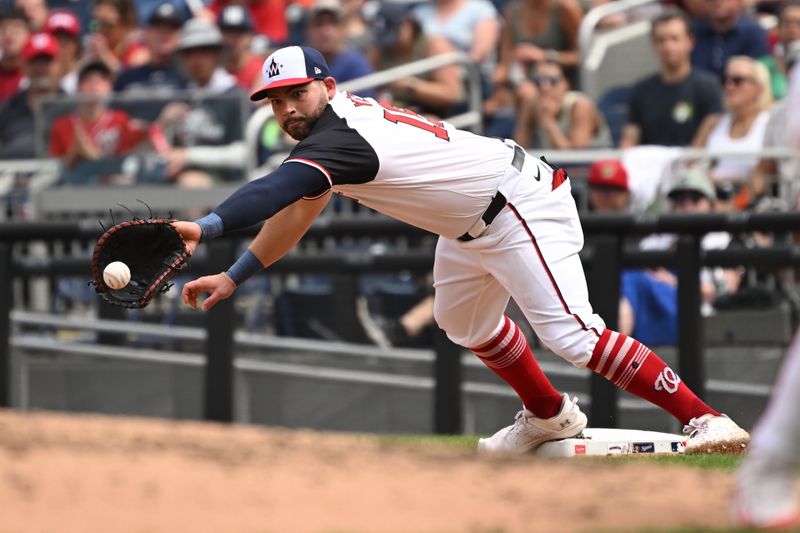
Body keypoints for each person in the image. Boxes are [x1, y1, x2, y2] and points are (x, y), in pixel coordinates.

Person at [169, 45, 750, 455]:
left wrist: (208, 226)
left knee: (573, 336)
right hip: (472, 221)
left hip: (518, 201)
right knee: (461, 320)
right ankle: (549, 416)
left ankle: (706, 419)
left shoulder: (342, 138)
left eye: (296, 92)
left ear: (327, 85)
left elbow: (275, 191)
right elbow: (295, 210)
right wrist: (235, 275)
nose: (287, 108)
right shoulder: (335, 136)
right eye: (275, 100)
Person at [620, 7, 724, 149]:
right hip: (649, 166)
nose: (668, 46)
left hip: (692, 167)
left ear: (690, 42)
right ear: (653, 45)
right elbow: (629, 139)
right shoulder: (641, 90)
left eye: (674, 39)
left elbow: (709, 136)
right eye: (660, 40)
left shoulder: (708, 86)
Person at [691, 56, 772, 208]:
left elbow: (764, 177)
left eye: (738, 80)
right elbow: (689, 165)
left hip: (750, 206)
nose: (729, 86)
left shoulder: (769, 123)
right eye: (725, 80)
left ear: (759, 88)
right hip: (706, 203)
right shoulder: (712, 123)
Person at [368, 2, 463, 119]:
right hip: (396, 111)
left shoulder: (434, 46)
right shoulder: (379, 50)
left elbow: (452, 94)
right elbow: (371, 84)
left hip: (435, 114)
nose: (392, 43)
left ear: (409, 24)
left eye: (395, 34)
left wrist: (411, 86)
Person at [49, 61, 148, 172]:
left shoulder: (120, 120)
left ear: (109, 87)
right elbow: (56, 169)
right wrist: (75, 152)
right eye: (87, 79)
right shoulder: (62, 124)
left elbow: (125, 161)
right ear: (78, 87)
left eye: (101, 79)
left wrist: (89, 152)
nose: (94, 84)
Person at [514, 59, 612, 149]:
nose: (545, 87)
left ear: (565, 83)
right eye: (538, 81)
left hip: (594, 164)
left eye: (552, 80)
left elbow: (576, 156)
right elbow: (521, 147)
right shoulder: (532, 104)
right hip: (555, 164)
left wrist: (548, 121)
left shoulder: (580, 105)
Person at [0, 32, 62, 159]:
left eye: (46, 62)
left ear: (58, 65)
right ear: (24, 66)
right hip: (13, 176)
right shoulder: (7, 109)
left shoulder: (72, 108)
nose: (40, 68)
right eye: (34, 62)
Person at [304, 0, 375, 97]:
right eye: (319, 24)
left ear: (344, 28)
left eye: (333, 23)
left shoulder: (356, 64)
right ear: (310, 29)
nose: (326, 31)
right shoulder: (301, 63)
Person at [690, 0, 770, 82]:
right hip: (699, 91)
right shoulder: (694, 31)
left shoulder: (754, 33)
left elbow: (761, 76)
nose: (718, 2)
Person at [86, 0, 149, 72]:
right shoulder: (91, 52)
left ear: (126, 24)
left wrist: (105, 56)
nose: (100, 31)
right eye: (95, 24)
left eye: (107, 26)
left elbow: (128, 79)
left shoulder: (137, 53)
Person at [218, 4, 263, 92]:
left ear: (250, 36)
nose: (233, 39)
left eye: (240, 32)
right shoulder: (213, 69)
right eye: (228, 32)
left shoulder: (260, 70)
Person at [44, 9, 81, 94]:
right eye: (56, 39)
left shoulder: (84, 79)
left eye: (66, 39)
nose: (61, 44)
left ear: (76, 44)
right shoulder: (33, 80)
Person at [0, 6, 30, 101]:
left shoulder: (34, 75)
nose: (9, 35)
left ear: (28, 35)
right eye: (4, 28)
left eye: (16, 29)